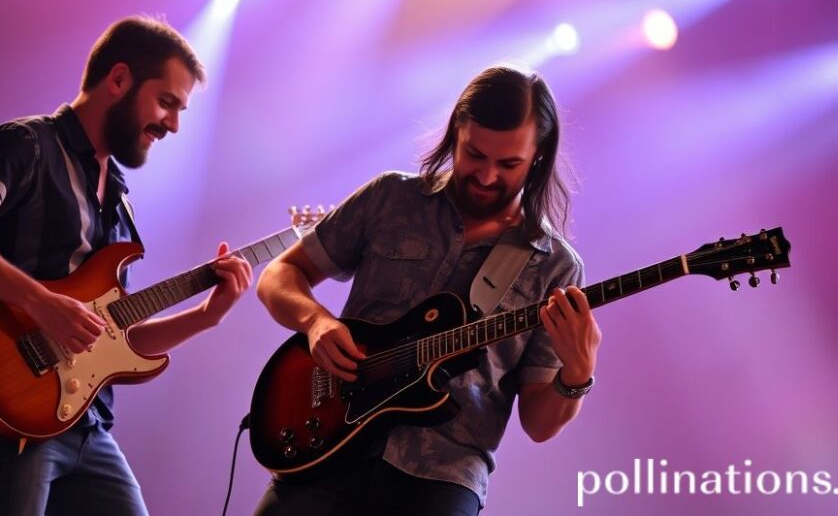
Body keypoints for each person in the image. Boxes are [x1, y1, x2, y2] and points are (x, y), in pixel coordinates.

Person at [0, 16, 252, 515]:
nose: (174, 124)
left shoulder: (120, 203)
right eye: (167, 102)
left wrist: (208, 315)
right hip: (8, 408)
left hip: (86, 426)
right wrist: (40, 302)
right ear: (119, 79)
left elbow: (113, 340)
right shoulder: (27, 144)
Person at [253, 65, 603, 515]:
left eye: (509, 164)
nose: (488, 176)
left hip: (442, 474)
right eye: (475, 154)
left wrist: (576, 375)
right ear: (457, 128)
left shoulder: (554, 267)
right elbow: (279, 276)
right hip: (329, 445)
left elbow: (538, 423)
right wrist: (316, 322)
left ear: (537, 157)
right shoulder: (390, 199)